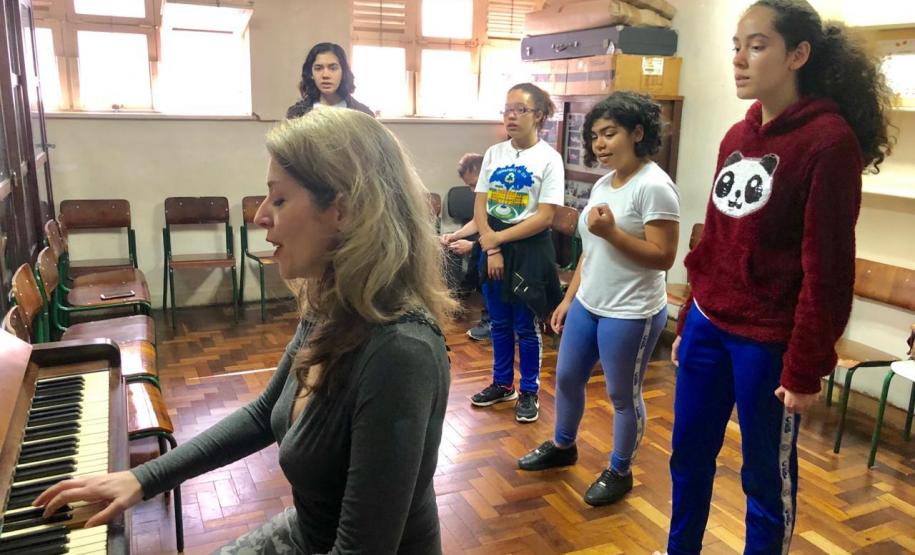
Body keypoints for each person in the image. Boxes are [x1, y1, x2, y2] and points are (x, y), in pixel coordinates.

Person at [34, 108, 456, 555]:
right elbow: (262, 415)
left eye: (278, 199)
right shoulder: (331, 305)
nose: (260, 216)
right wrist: (142, 478)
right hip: (308, 536)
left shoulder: (400, 353)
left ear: (343, 210)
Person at [659, 1, 894, 554]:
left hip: (769, 343)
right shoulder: (736, 135)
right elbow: (715, 242)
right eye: (735, 46)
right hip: (709, 327)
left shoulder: (828, 142)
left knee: (765, 477)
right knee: (688, 455)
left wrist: (806, 365)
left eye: (757, 45)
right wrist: (693, 314)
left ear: (798, 54)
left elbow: (828, 267)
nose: (739, 59)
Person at [517, 92, 680, 507]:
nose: (599, 144)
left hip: (632, 312)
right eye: (594, 137)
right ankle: (563, 446)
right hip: (590, 304)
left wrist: (613, 233)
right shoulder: (606, 183)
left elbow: (663, 258)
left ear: (637, 133)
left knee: (623, 395)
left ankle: (620, 469)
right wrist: (570, 298)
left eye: (610, 134)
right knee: (568, 378)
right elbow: (592, 250)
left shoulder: (656, 187)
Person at [469, 83, 564, 423]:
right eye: (506, 109)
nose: (510, 115)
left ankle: (529, 390)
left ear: (538, 115)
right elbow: (480, 202)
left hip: (528, 251)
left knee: (525, 325)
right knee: (498, 322)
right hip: (493, 243)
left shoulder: (549, 159)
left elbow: (546, 216)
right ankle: (502, 382)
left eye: (519, 109)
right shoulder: (494, 153)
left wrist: (496, 240)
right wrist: (490, 245)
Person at [441, 153, 491, 341]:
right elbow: (478, 221)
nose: (472, 190)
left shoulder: (499, 195)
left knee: (484, 265)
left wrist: (472, 246)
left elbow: (502, 232)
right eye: (469, 185)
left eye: (474, 184)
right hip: (488, 244)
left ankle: (493, 322)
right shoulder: (482, 194)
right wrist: (454, 235)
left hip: (506, 249)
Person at [286, 42, 373, 119]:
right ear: (311, 74)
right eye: (318, 68)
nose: (325, 75)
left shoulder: (363, 114)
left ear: (343, 72)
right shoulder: (296, 114)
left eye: (333, 68)